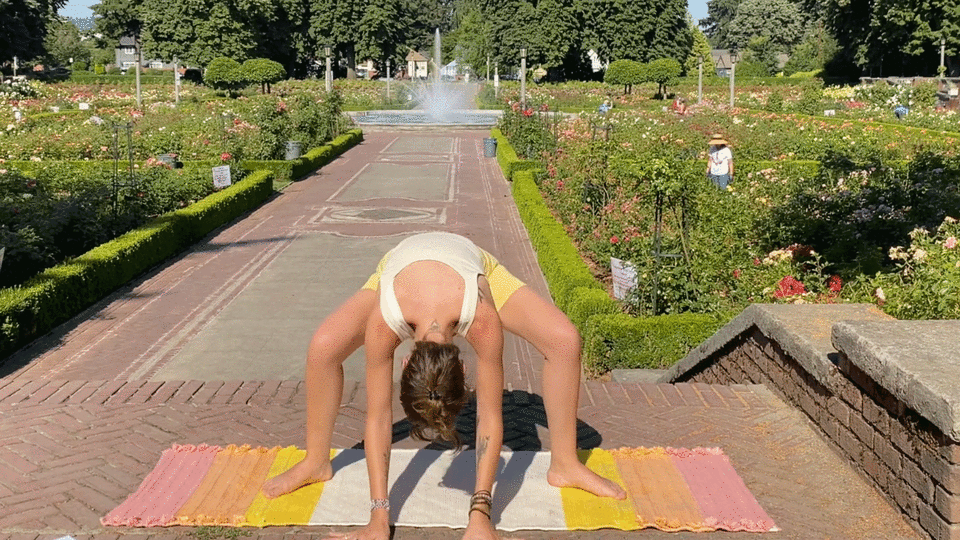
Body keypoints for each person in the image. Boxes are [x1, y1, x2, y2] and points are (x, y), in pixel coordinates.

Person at [261, 231, 626, 540]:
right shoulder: (383, 322)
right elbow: (377, 418)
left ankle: (564, 464)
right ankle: (314, 463)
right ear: (405, 364)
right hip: (398, 266)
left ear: (464, 372)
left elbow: (489, 419)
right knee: (324, 347)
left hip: (469, 263)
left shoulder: (481, 315)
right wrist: (377, 516)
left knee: (564, 340)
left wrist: (480, 515)